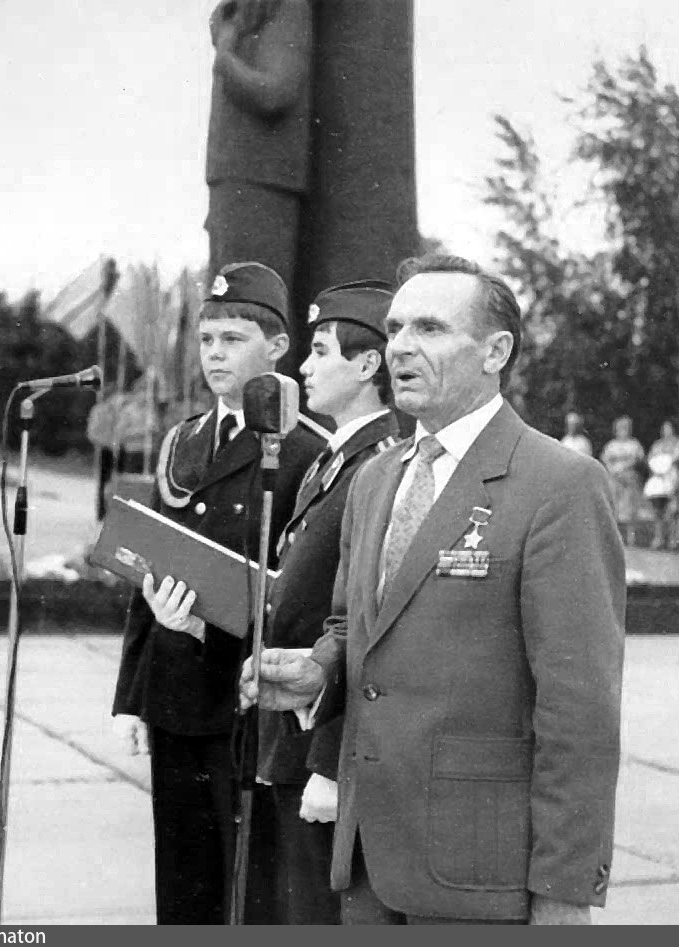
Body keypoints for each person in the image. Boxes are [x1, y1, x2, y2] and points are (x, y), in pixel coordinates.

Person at [242, 254, 626, 925]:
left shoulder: (558, 484)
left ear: (495, 352)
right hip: (368, 859)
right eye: (395, 328)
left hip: (479, 869)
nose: (400, 347)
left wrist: (564, 892)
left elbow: (580, 709)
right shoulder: (376, 479)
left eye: (430, 328)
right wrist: (319, 672)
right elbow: (354, 625)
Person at [148, 278, 399, 924]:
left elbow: (360, 625)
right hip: (283, 730)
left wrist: (329, 761)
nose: (305, 368)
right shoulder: (336, 463)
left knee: (309, 912)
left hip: (313, 737)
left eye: (320, 351)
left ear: (367, 365)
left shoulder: (375, 465)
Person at [111, 261, 327, 925]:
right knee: (181, 881)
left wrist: (209, 628)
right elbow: (151, 565)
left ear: (277, 346)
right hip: (174, 692)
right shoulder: (185, 440)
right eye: (206, 340)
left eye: (232, 339)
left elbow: (305, 597)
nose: (214, 354)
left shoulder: (307, 451)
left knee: (250, 887)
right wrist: (131, 696)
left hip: (244, 704)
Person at [205, 0, 313, 373]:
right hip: (236, 177)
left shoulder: (286, 7)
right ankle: (241, 403)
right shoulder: (245, 15)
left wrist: (225, 58)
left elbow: (275, 91)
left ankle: (266, 403)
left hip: (262, 178)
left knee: (255, 307)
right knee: (230, 305)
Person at [600, 416, 645, 546]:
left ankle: (631, 538)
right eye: (620, 428)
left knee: (630, 508)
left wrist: (624, 467)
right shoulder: (611, 445)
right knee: (614, 508)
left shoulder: (634, 444)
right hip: (614, 479)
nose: (623, 431)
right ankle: (615, 538)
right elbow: (605, 459)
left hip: (629, 479)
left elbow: (638, 459)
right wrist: (612, 470)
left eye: (625, 428)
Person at [644, 421, 679, 550]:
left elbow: (675, 458)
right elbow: (651, 459)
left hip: (671, 478)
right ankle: (658, 538)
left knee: (671, 510)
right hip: (658, 479)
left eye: (668, 428)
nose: (666, 431)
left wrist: (664, 464)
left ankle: (672, 539)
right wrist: (657, 467)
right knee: (658, 511)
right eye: (664, 429)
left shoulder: (678, 443)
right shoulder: (657, 445)